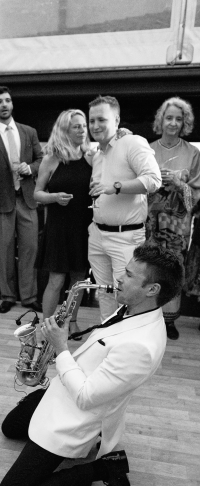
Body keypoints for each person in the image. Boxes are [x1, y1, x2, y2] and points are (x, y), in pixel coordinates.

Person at [0, 243, 183, 486]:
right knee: (10, 427)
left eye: (129, 275)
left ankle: (102, 468)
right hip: (65, 389)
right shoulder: (132, 308)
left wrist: (61, 348)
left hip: (77, 415)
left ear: (152, 289)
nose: (119, 278)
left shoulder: (142, 347)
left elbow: (86, 398)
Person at [87, 95, 162, 321]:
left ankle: (124, 339)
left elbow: (154, 180)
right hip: (97, 235)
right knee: (104, 293)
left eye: (102, 119)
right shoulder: (97, 154)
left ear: (117, 120)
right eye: (92, 121)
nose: (95, 126)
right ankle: (106, 335)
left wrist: (116, 187)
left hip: (125, 237)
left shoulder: (132, 143)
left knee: (127, 297)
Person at [0, 86, 43, 314]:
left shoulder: (29, 132)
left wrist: (31, 168)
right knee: (3, 252)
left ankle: (29, 296)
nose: (4, 104)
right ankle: (7, 296)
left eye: (7, 100)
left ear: (12, 104)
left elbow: (41, 160)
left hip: (27, 201)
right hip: (1, 203)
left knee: (30, 249)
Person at [34, 110, 92, 335]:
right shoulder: (51, 159)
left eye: (84, 125)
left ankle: (71, 322)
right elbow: (37, 194)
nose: (82, 130)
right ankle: (47, 327)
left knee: (78, 280)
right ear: (64, 130)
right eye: (76, 126)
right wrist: (54, 197)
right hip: (59, 228)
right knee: (56, 281)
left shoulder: (91, 157)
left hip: (83, 227)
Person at [147, 97, 200, 340]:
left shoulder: (193, 153)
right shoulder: (148, 149)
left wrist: (178, 183)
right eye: (169, 118)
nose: (173, 123)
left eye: (179, 119)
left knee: (172, 269)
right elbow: (138, 186)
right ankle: (147, 316)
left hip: (178, 227)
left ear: (184, 123)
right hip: (150, 224)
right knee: (149, 268)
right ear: (161, 120)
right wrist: (156, 181)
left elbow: (195, 198)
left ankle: (168, 320)